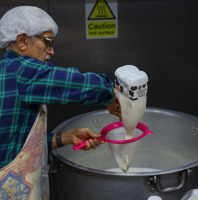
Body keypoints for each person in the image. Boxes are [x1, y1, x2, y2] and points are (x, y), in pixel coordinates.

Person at [0, 6, 120, 199]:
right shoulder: (20, 71)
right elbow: (76, 83)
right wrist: (111, 94)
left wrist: (65, 137)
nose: (52, 51)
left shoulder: (7, 74)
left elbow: (15, 145)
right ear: (22, 41)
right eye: (47, 41)